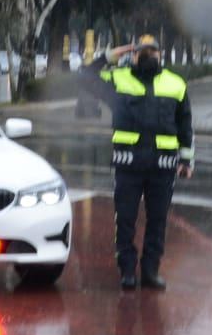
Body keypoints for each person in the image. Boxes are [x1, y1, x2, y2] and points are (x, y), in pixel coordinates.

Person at [81, 34, 194, 291]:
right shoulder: (117, 80)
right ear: (132, 55)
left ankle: (151, 271)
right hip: (128, 164)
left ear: (160, 55)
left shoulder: (175, 84)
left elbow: (185, 125)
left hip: (162, 166)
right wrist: (111, 55)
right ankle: (127, 271)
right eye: (142, 51)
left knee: (157, 221)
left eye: (152, 51)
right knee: (126, 220)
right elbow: (85, 76)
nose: (148, 55)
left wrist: (186, 161)